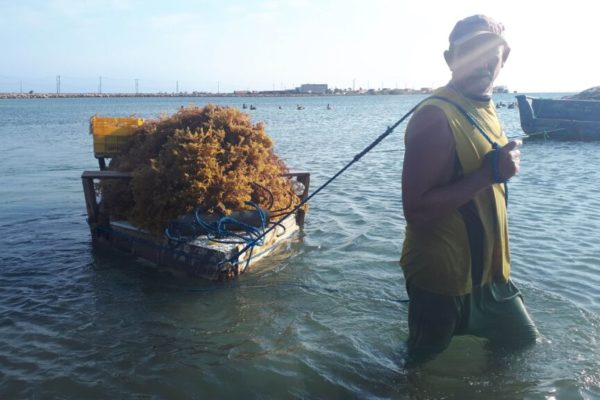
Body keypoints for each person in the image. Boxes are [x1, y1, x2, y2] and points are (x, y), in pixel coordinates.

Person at [400, 15, 539, 363]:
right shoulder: (434, 116)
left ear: (504, 58)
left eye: (491, 51)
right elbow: (415, 210)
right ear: (450, 59)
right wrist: (488, 175)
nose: (482, 60)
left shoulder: (486, 105)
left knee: (521, 345)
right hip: (441, 282)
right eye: (469, 51)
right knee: (417, 370)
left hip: (492, 281)